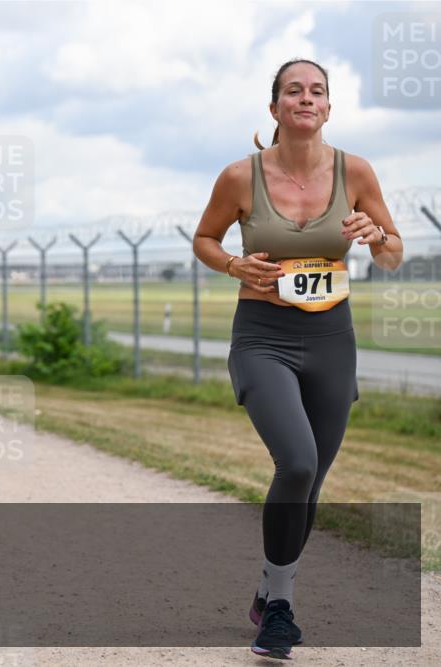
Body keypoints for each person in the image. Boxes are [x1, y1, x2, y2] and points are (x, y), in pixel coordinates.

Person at [192, 59, 403, 660]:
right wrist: (234, 263)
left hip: (334, 339)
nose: (305, 98)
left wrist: (376, 236)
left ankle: (265, 588)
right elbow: (205, 239)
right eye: (293, 91)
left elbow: (392, 254)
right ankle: (280, 608)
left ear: (329, 108)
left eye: (317, 91)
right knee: (299, 462)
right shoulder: (240, 177)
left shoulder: (356, 171)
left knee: (310, 485)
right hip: (262, 336)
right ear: (275, 107)